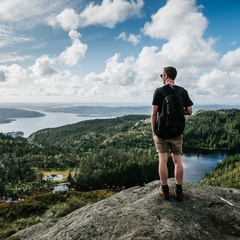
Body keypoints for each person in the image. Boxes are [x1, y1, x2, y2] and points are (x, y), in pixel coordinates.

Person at [151, 66, 193, 201]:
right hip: (177, 131)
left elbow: (153, 114)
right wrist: (177, 112)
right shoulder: (182, 91)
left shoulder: (159, 91)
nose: (161, 77)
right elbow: (189, 111)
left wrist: (154, 132)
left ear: (166, 76)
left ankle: (165, 190)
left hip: (162, 132)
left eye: (161, 75)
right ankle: (179, 190)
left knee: (162, 160)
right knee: (177, 161)